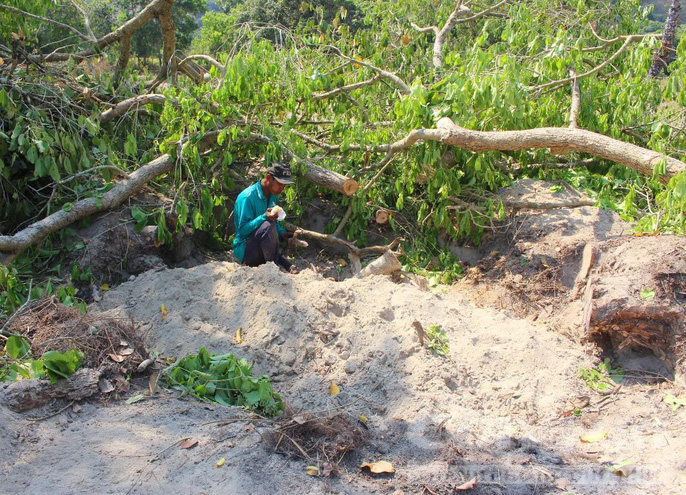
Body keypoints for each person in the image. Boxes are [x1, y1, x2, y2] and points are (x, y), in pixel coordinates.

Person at [232, 162, 297, 272]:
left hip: (260, 245)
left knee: (270, 225)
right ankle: (277, 265)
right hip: (245, 249)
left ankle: (279, 263)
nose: (282, 188)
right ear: (268, 178)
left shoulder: (273, 196)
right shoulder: (247, 197)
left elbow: (274, 221)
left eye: (284, 185)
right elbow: (243, 230)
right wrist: (264, 217)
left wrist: (282, 233)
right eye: (280, 184)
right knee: (267, 225)